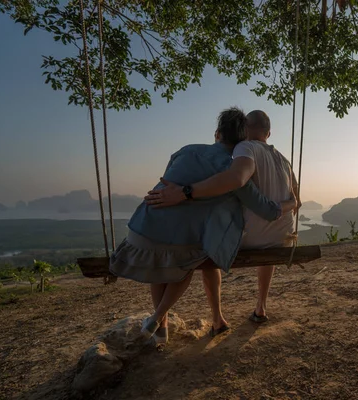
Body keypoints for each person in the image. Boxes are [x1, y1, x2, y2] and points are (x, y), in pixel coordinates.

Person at [110, 107, 297, 345]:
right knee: (191, 258)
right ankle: (158, 317)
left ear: (217, 134)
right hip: (183, 244)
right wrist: (292, 202)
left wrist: (184, 194)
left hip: (140, 230)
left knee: (165, 259)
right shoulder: (235, 169)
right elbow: (264, 207)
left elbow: (170, 179)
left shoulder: (184, 151)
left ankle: (164, 326)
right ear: (245, 139)